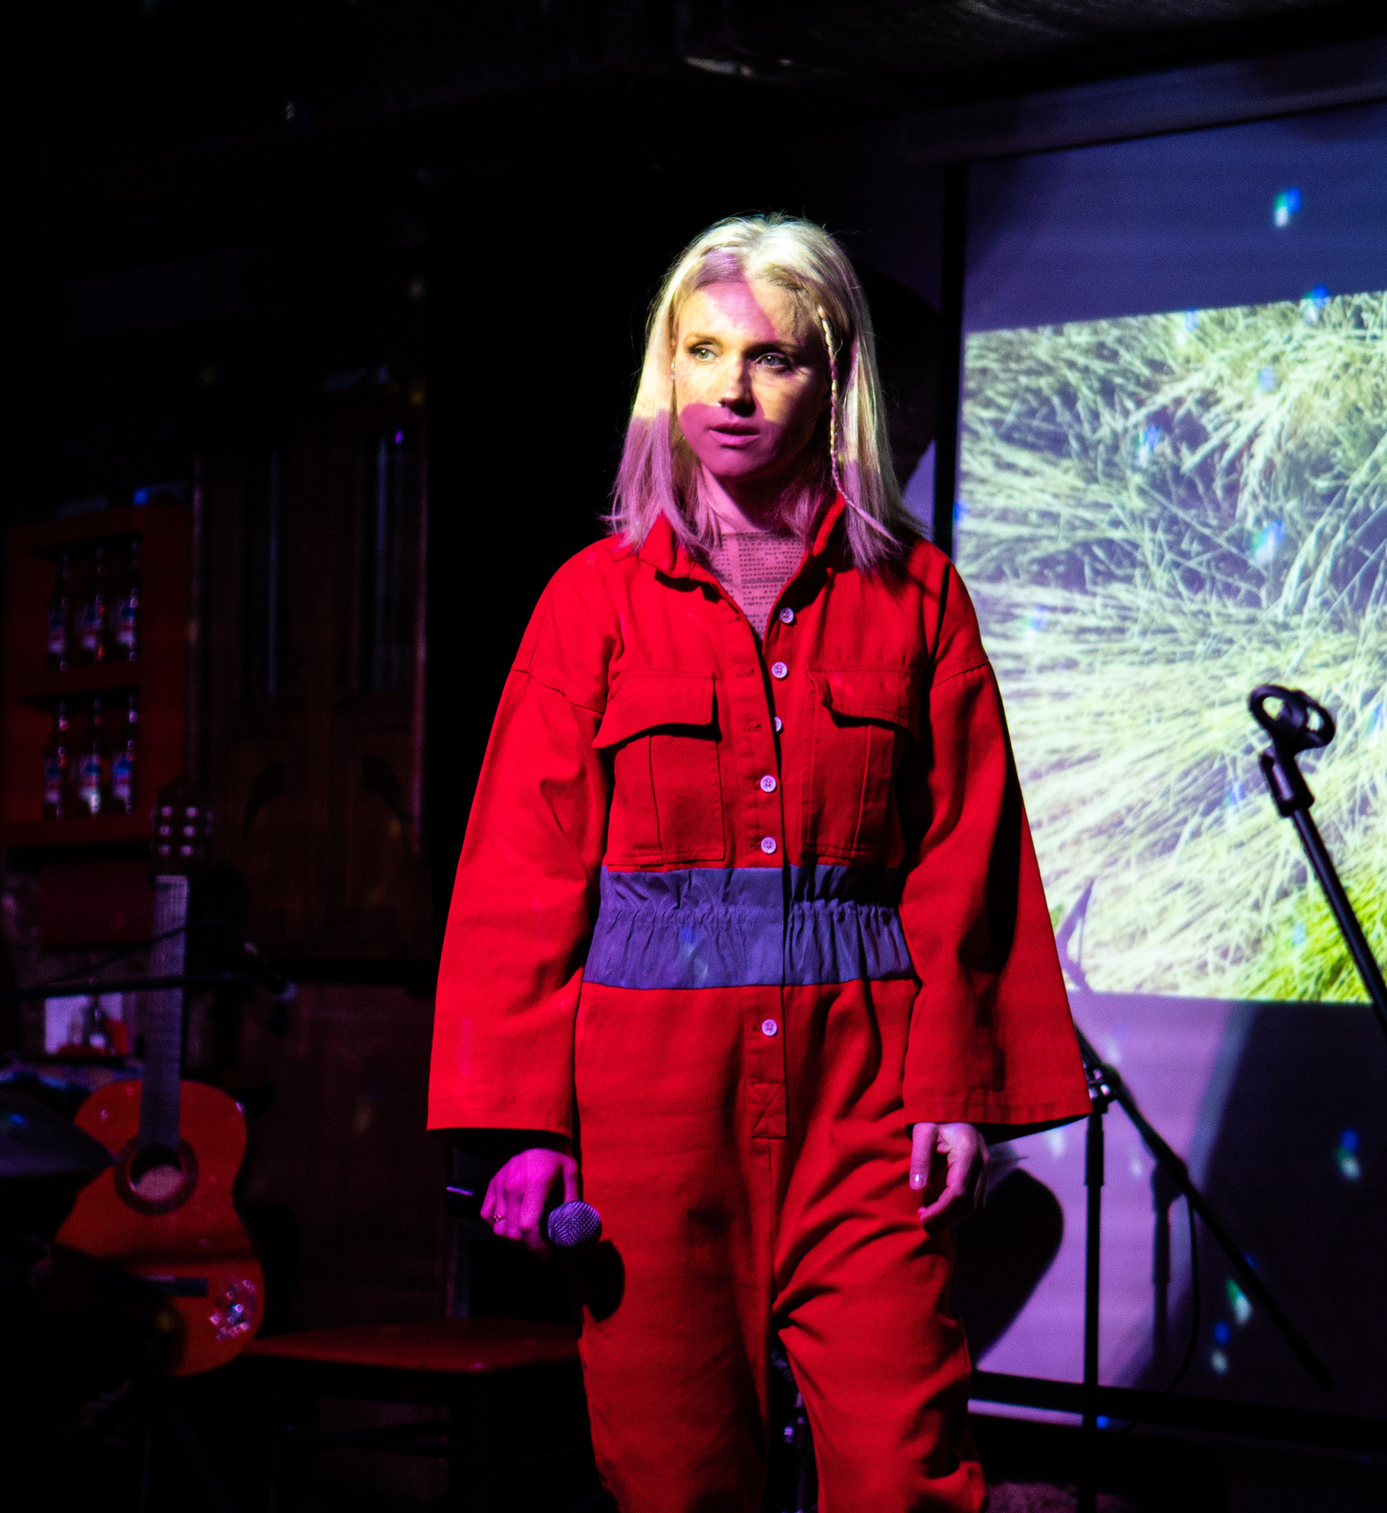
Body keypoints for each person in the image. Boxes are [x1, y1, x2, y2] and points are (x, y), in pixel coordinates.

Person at [426, 214, 1091, 1511]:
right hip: (648, 1116)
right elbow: (523, 872)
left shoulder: (920, 597)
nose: (733, 389)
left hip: (867, 1099)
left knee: (908, 1470)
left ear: (834, 379)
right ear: (664, 374)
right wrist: (522, 1128)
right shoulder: (592, 602)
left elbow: (968, 857)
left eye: (774, 358)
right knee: (674, 1478)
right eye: (704, 351)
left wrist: (953, 1085)